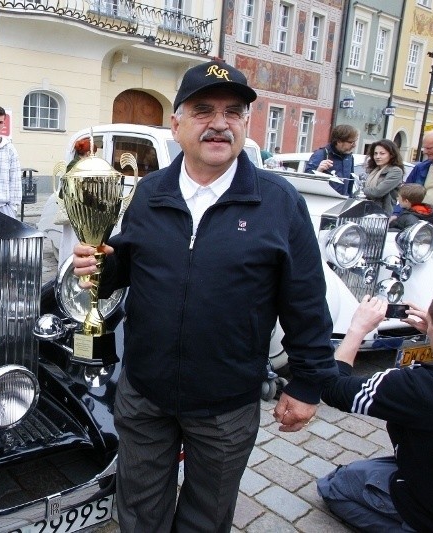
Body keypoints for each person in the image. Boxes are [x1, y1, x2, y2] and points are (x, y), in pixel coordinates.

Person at [72, 60, 338, 532]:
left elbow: (305, 299)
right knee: (138, 511)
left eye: (233, 112)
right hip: (145, 392)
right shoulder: (150, 191)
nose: (219, 123)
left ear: (244, 126)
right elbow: (130, 264)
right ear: (176, 125)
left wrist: (307, 383)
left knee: (207, 517)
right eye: (203, 110)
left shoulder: (278, 202)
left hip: (226, 402)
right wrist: (103, 267)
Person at [317, 294, 433, 532]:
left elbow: (332, 388)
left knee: (335, 485)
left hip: (427, 504)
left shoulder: (418, 385)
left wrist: (356, 329)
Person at [55, 137, 95, 262]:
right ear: (88, 153)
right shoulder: (77, 165)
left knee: (73, 241)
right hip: (75, 210)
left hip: (78, 209)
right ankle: (70, 266)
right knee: (72, 242)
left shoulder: (78, 163)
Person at [305, 124, 359, 196]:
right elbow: (306, 179)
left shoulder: (349, 157)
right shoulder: (321, 154)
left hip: (343, 202)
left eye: (355, 142)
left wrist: (350, 198)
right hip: (325, 202)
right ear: (339, 141)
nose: (354, 145)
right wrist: (318, 170)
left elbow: (350, 182)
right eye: (351, 142)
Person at [362, 139, 404, 214]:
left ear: (391, 155)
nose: (377, 157)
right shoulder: (374, 170)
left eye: (382, 153)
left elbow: (377, 192)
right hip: (367, 210)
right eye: (375, 153)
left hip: (382, 213)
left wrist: (362, 191)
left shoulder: (396, 171)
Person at [406, 129, 433, 206]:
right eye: (424, 148)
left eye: (429, 148)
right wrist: (396, 213)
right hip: (422, 215)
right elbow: (405, 195)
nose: (425, 152)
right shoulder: (420, 168)